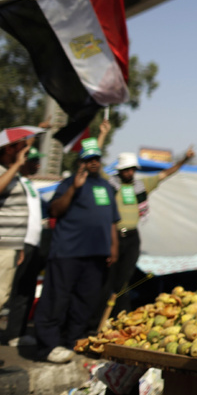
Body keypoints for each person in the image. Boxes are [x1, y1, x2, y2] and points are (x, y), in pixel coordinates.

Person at [90, 121, 195, 324]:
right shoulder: (111, 183)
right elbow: (96, 161)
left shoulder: (141, 185)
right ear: (120, 170)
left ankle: (120, 320)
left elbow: (165, 174)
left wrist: (184, 160)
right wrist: (102, 134)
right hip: (113, 237)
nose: (130, 172)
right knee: (108, 281)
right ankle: (98, 321)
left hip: (131, 238)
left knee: (123, 282)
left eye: (132, 169)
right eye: (126, 169)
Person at [35, 138, 119, 364]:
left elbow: (112, 220)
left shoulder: (107, 187)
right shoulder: (69, 183)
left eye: (96, 159)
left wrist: (113, 246)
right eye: (88, 159)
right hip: (68, 252)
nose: (93, 163)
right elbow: (54, 210)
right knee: (56, 299)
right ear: (81, 162)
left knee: (85, 301)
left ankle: (73, 341)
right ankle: (47, 346)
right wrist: (74, 188)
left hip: (96, 255)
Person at [3, 144, 49, 347]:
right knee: (8, 291)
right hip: (16, 242)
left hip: (32, 243)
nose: (37, 164)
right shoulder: (11, 178)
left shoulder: (29, 184)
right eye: (33, 160)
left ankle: (16, 334)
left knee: (25, 290)